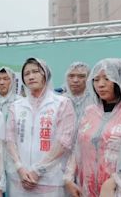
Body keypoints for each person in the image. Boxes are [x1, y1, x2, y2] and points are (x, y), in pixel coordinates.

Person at [6, 57, 76, 196]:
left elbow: (64, 142)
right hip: (20, 180)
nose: (31, 76)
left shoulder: (62, 103)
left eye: (35, 72)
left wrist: (38, 171)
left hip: (50, 180)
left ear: (46, 74)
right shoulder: (16, 106)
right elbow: (9, 139)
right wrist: (19, 168)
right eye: (26, 74)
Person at [64, 58, 121, 197]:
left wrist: (117, 180)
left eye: (107, 78)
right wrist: (68, 177)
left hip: (117, 189)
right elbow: (77, 147)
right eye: (96, 79)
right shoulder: (90, 112)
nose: (100, 85)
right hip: (87, 187)